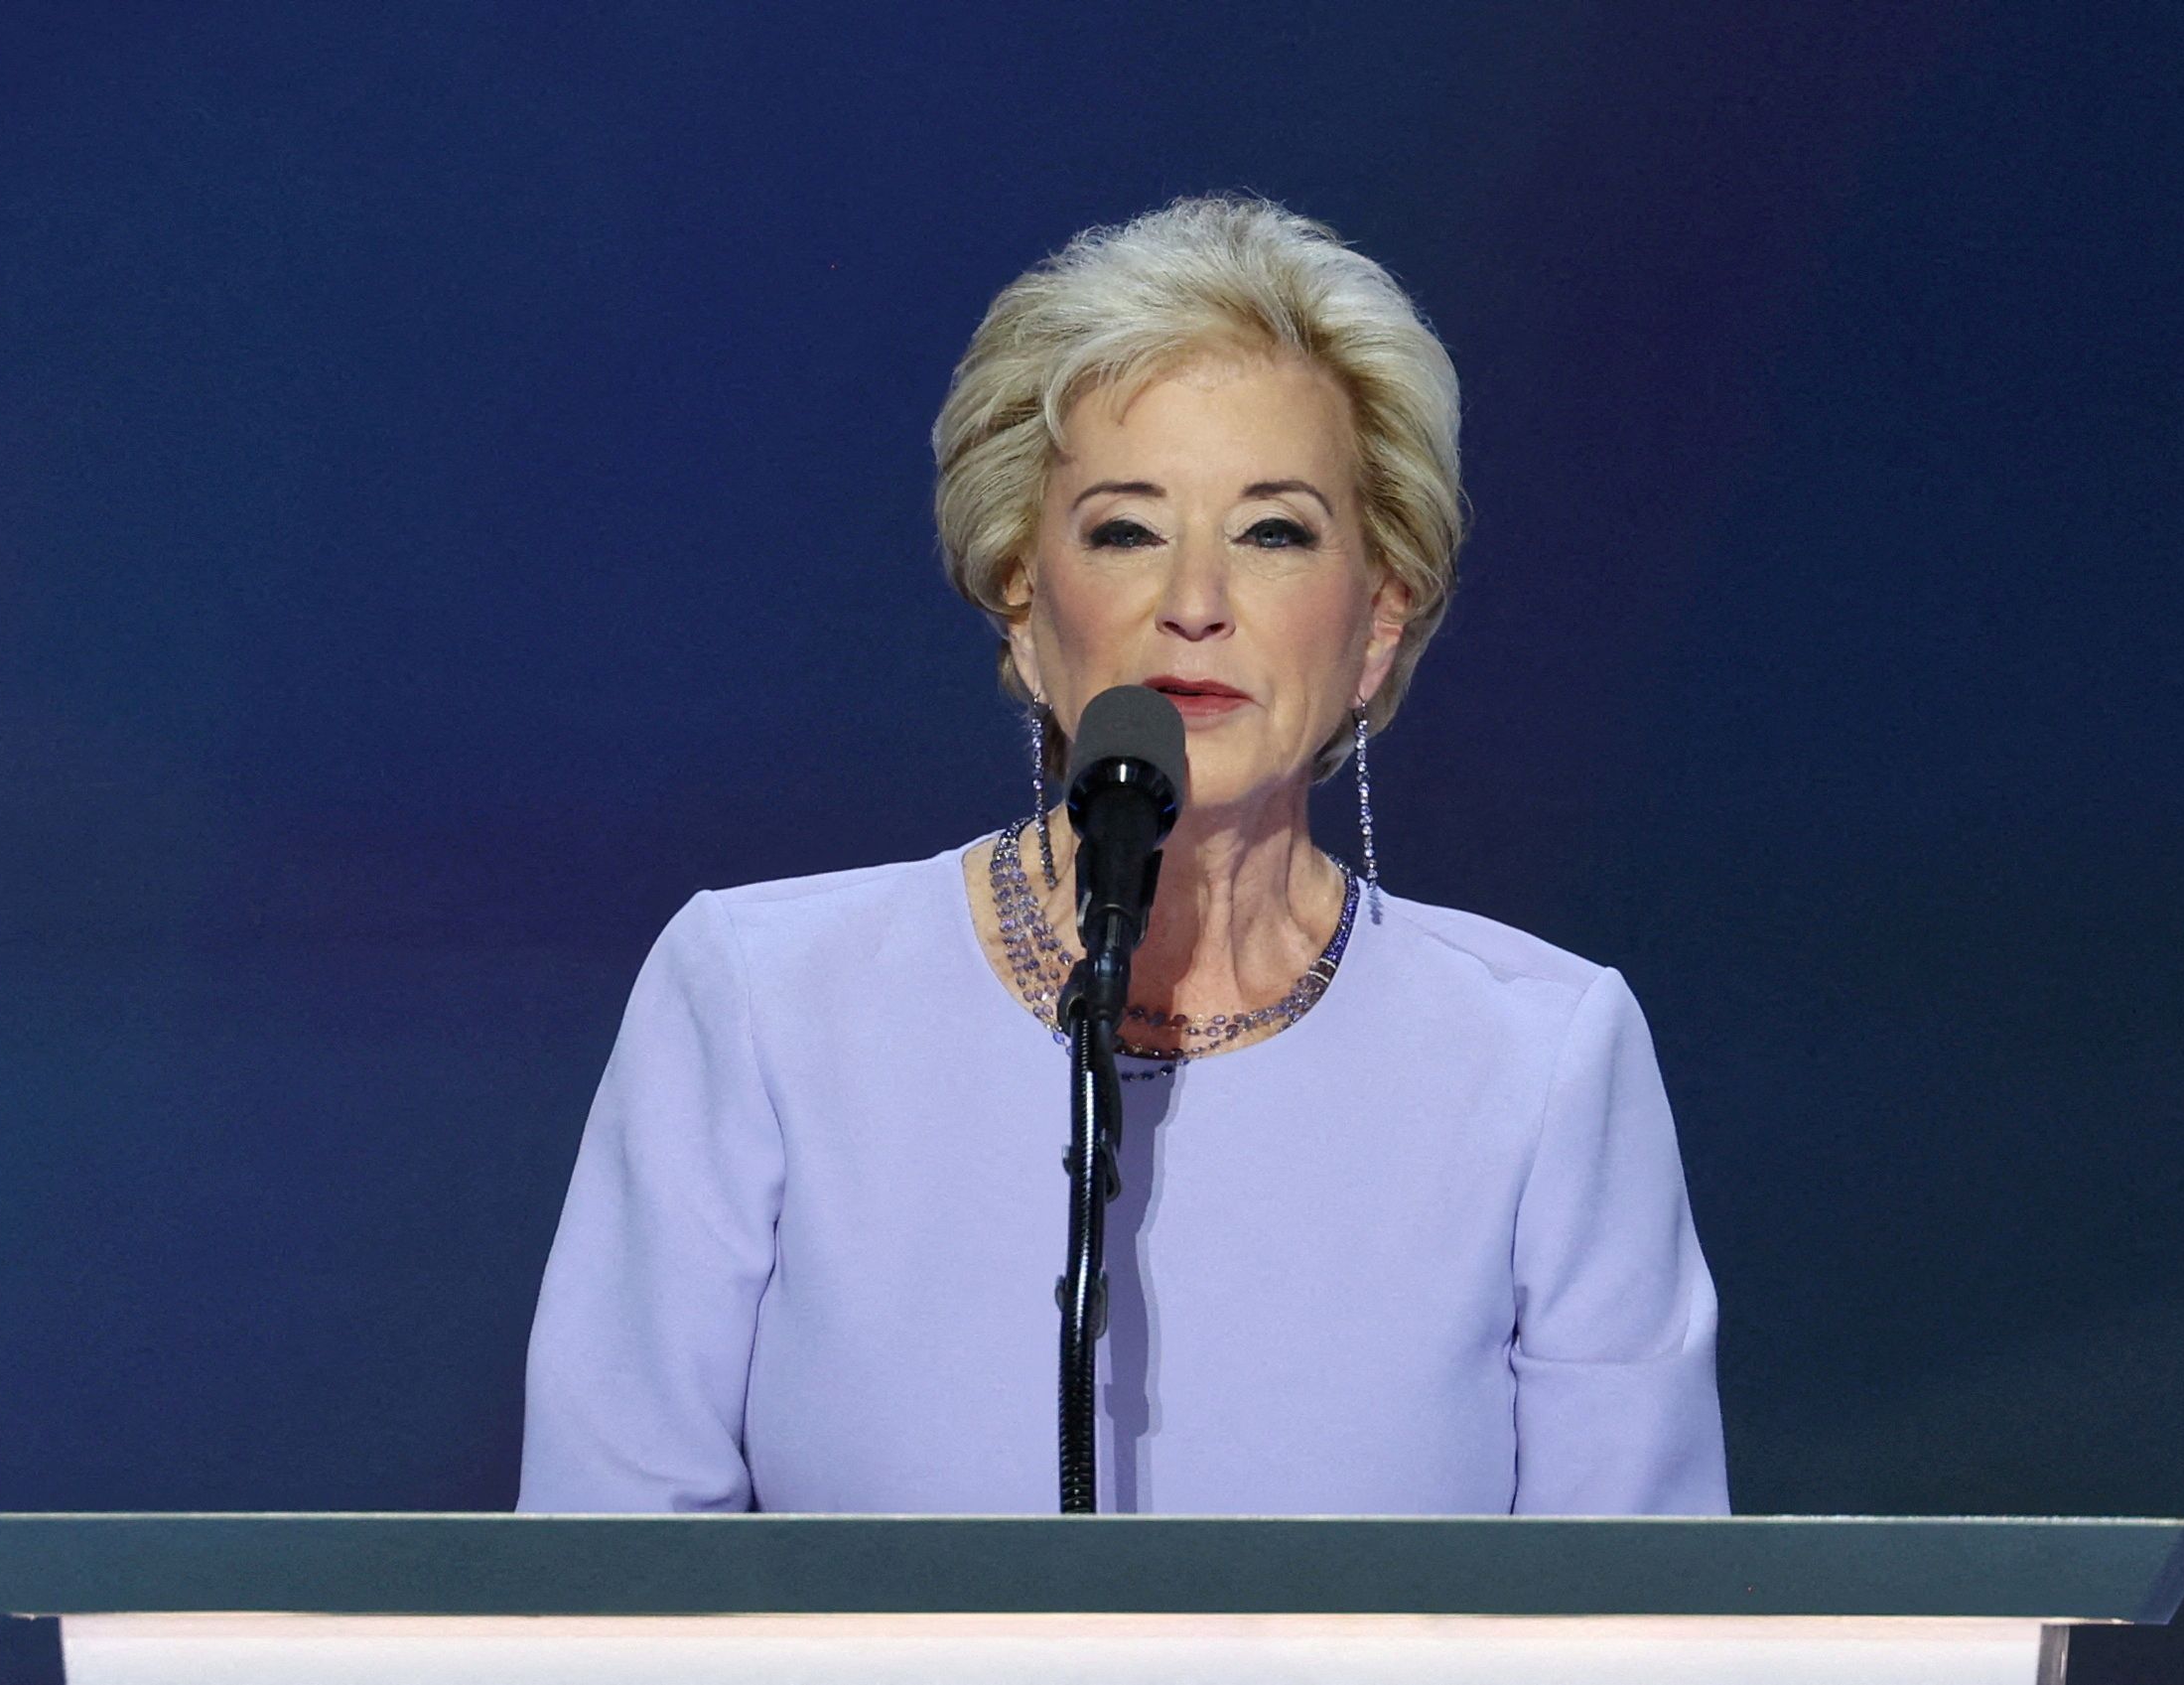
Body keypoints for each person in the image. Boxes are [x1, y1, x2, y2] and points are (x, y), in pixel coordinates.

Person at [517, 196, 1726, 1515]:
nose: (1193, 603)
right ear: (1026, 608)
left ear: (1376, 619)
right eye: (1124, 529)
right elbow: (602, 1594)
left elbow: (1644, 1634)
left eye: (1272, 531)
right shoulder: (757, 1004)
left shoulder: (1544, 1060)